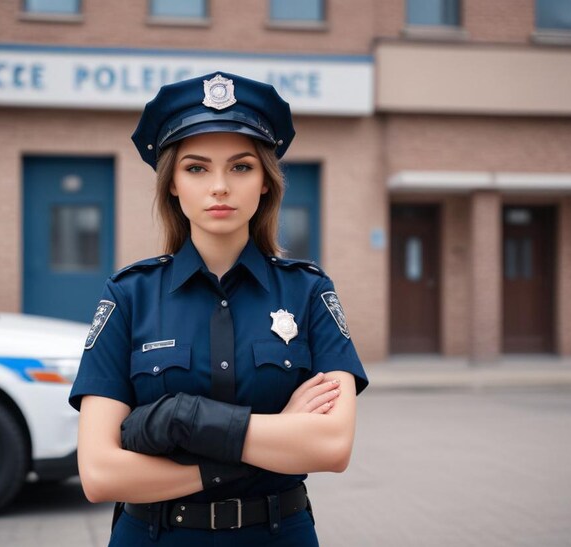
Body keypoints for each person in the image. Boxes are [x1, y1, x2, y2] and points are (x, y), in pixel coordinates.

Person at [68, 71, 369, 546]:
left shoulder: (309, 292)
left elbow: (332, 446)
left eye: (241, 167)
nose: (220, 187)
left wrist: (184, 420)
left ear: (266, 183)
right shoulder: (129, 295)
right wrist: (272, 439)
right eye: (196, 168)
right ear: (172, 184)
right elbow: (101, 473)